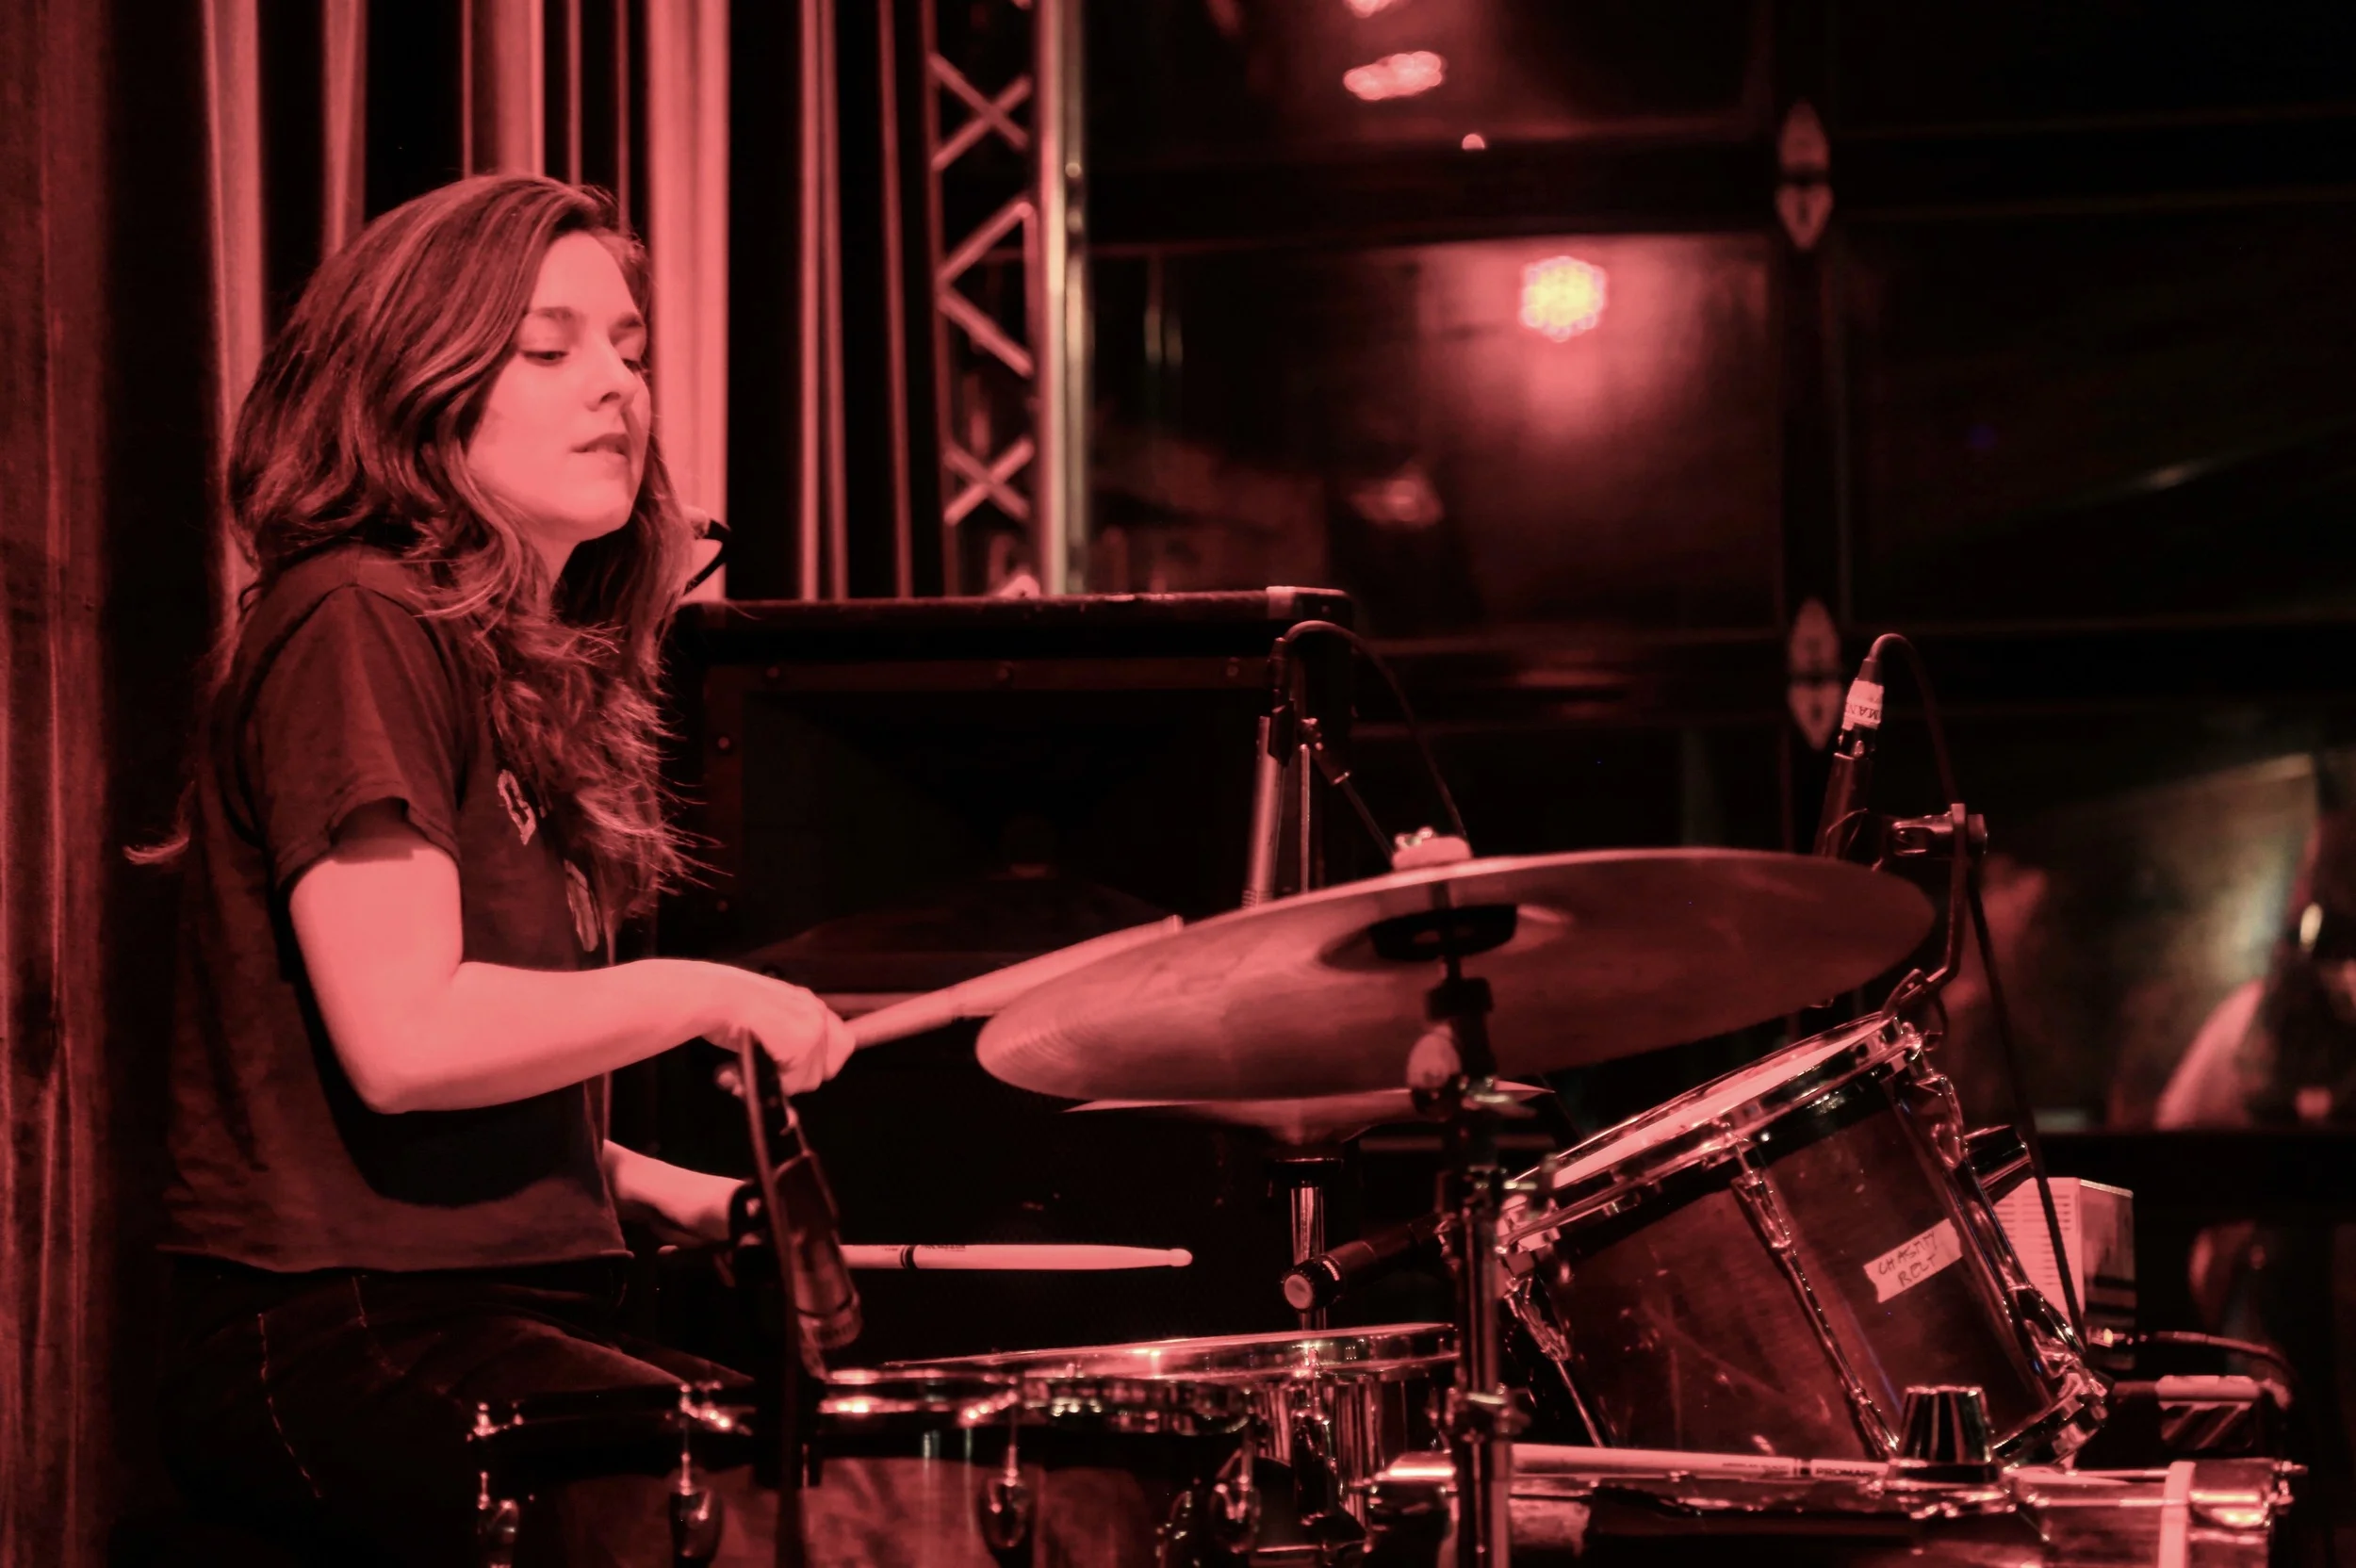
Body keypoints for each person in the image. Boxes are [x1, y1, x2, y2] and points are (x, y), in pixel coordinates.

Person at [147, 174, 845, 1566]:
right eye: (549, 348)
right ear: (416, 382)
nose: (619, 387)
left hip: (479, 1310)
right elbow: (406, 1041)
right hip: (345, 1334)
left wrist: (661, 1189)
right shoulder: (359, 613)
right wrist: (708, 993)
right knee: (791, 1524)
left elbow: (412, 1110)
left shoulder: (492, 668)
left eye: (629, 349)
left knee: (848, 1475)